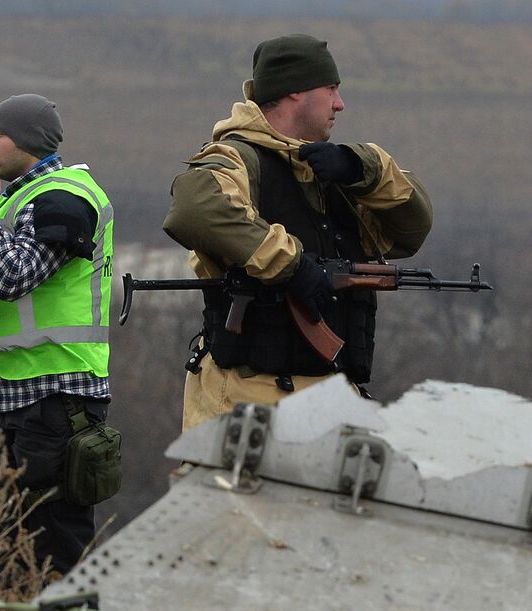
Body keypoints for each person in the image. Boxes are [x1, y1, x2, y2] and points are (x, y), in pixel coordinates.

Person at [163, 34, 433, 431]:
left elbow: (412, 228)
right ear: (294, 91)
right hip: (247, 403)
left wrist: (363, 169)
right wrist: (290, 264)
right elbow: (195, 207)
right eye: (331, 89)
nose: (340, 104)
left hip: (329, 405)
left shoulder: (332, 175)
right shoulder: (238, 158)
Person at [0, 94, 115, 577]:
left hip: (57, 396)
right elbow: (11, 310)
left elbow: (13, 278)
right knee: (9, 550)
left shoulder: (63, 198)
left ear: (30, 141)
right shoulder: (22, 194)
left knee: (54, 549)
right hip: (19, 395)